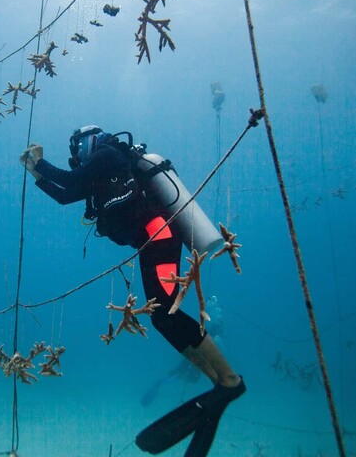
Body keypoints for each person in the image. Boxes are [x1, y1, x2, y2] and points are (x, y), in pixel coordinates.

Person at [21, 126, 245, 456]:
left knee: (165, 313)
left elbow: (68, 180)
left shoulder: (107, 154)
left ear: (91, 140)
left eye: (78, 147)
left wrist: (40, 162)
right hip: (151, 241)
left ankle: (228, 379)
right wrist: (36, 174)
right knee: (162, 317)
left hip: (160, 235)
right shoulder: (100, 173)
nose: (77, 155)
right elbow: (65, 195)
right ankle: (219, 380)